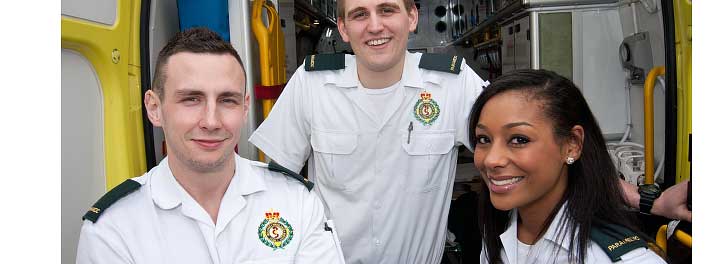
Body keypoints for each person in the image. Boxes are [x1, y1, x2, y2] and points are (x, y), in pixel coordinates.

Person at [76, 28, 344, 264]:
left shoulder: (296, 202)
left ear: (244, 107)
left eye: (227, 100)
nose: (211, 121)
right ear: (154, 108)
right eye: (191, 99)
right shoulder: (113, 229)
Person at [250, 0, 488, 262]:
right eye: (360, 14)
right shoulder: (312, 84)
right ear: (343, 28)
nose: (375, 26)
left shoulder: (453, 84)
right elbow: (278, 184)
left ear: (411, 17)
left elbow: (507, 153)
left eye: (387, 10)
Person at [470, 69, 666, 263]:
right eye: (484, 139)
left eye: (519, 139)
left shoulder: (626, 260)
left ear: (572, 145)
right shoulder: (499, 229)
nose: (491, 160)